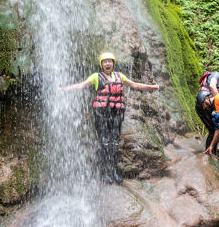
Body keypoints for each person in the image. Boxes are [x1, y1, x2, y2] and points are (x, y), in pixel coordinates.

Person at [60, 52, 159, 184]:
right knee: (104, 143)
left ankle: (114, 172)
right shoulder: (96, 77)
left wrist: (151, 87)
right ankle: (104, 173)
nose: (107, 63)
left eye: (110, 61)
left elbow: (134, 85)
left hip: (116, 113)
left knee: (114, 143)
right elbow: (81, 85)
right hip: (101, 113)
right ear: (101, 64)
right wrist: (64, 89)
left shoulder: (120, 76)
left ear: (113, 63)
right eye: (105, 61)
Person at [195, 65, 219, 149]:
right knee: (215, 129)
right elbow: (212, 86)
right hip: (205, 102)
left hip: (201, 102)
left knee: (214, 129)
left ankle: (210, 150)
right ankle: (210, 152)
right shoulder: (216, 75)